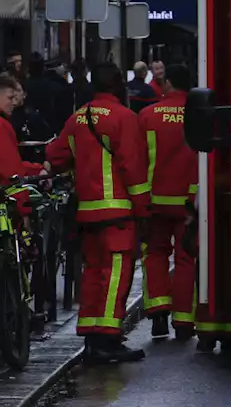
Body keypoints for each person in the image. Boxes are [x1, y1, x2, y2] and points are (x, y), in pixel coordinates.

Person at [45, 62, 150, 364]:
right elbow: (134, 169)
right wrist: (144, 211)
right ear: (118, 85)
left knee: (92, 274)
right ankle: (107, 338)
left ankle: (92, 336)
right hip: (117, 212)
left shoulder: (78, 117)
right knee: (116, 275)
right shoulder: (124, 118)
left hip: (87, 213)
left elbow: (56, 155)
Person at [137, 64, 198, 340]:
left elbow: (139, 161)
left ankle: (158, 312)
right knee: (186, 259)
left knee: (155, 254)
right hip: (189, 202)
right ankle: (184, 321)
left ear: (170, 83)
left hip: (154, 201)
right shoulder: (199, 115)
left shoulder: (148, 115)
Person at [0, 75, 46, 218]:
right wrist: (23, 211)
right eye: (10, 98)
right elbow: (10, 172)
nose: (14, 103)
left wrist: (36, 170)